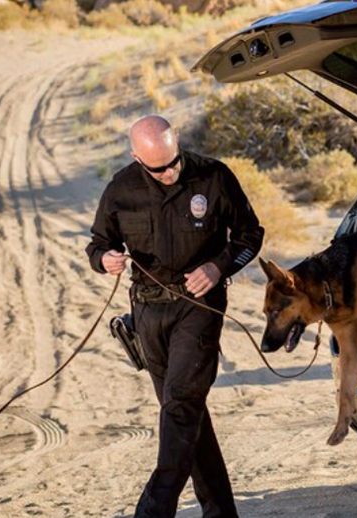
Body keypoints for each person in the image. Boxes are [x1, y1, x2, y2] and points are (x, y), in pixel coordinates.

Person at [86, 115, 263, 518]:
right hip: (147, 313)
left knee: (181, 403)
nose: (169, 173)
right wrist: (106, 260)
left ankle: (154, 509)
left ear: (178, 142)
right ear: (136, 157)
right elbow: (98, 245)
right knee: (184, 411)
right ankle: (221, 512)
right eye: (157, 168)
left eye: (173, 162)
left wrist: (219, 267)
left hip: (198, 309)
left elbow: (251, 236)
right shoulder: (120, 189)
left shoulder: (214, 177)